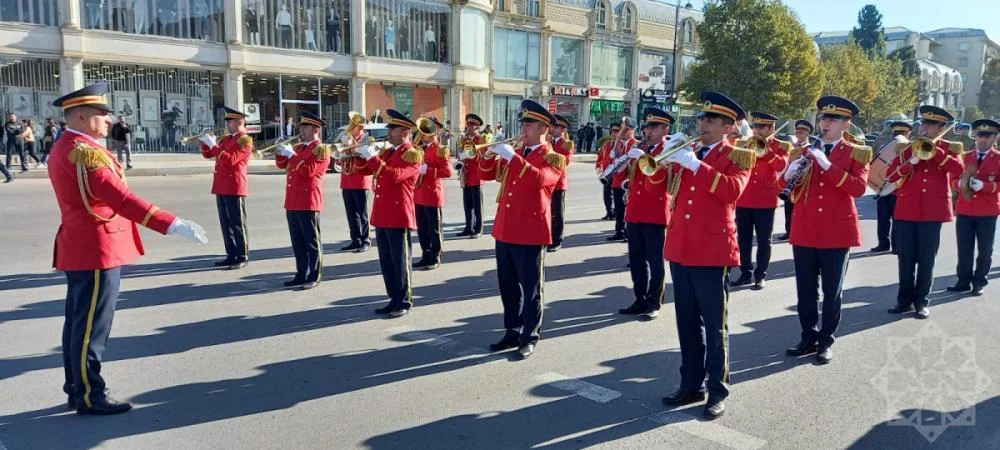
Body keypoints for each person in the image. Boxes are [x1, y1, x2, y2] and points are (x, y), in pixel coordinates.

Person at [48, 82, 206, 415]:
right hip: (95, 249)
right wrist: (172, 223)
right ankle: (90, 394)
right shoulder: (84, 152)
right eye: (101, 114)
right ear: (80, 116)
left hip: (81, 247)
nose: (109, 120)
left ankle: (77, 387)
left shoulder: (68, 145)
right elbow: (120, 198)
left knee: (78, 324)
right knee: (91, 328)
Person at [662, 91, 753, 420]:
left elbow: (731, 191)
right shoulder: (691, 151)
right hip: (682, 246)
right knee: (686, 321)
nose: (703, 123)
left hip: (712, 249)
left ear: (728, 127)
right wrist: (668, 157)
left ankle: (717, 389)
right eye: (702, 118)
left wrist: (695, 165)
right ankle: (690, 383)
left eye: (711, 119)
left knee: (714, 325)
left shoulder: (739, 156)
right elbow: (663, 185)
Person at [779, 96, 871, 365]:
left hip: (836, 231)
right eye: (823, 118)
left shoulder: (857, 151)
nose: (825, 123)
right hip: (806, 228)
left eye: (832, 119)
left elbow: (858, 188)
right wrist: (787, 175)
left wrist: (828, 166)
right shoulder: (803, 150)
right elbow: (781, 189)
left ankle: (826, 340)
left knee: (832, 291)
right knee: (805, 290)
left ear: (846, 124)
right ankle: (808, 336)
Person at [480, 100, 566, 359]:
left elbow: (539, 181)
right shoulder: (518, 153)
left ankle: (530, 335)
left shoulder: (553, 157)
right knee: (507, 287)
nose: (523, 128)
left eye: (529, 124)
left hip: (530, 231)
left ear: (544, 128)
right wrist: (486, 157)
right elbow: (486, 175)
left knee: (531, 289)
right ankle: (512, 330)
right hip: (505, 228)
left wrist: (511, 157)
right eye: (523, 123)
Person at [884, 105, 964, 319]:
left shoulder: (950, 148)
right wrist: (910, 163)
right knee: (906, 258)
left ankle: (921, 301)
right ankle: (904, 300)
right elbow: (890, 175)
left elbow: (960, 171)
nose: (924, 127)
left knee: (927, 258)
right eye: (923, 123)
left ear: (941, 128)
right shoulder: (909, 148)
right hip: (907, 209)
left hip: (932, 211)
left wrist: (937, 153)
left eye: (930, 124)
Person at [354, 109, 422, 318]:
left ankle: (404, 300)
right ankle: (393, 298)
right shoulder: (388, 152)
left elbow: (395, 176)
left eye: (393, 129)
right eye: (390, 129)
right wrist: (357, 156)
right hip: (383, 213)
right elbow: (365, 171)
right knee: (386, 261)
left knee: (400, 261)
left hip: (398, 213)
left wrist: (373, 158)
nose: (389, 133)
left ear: (405, 132)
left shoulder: (413, 154)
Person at [618, 108, 675, 320]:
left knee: (655, 260)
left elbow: (665, 183)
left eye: (653, 128)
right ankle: (639, 298)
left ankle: (654, 302)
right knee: (636, 259)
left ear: (665, 129)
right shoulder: (640, 147)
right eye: (646, 128)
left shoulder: (669, 150)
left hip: (656, 212)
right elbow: (634, 178)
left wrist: (645, 157)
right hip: (635, 211)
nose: (648, 132)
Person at [731, 112, 790, 290]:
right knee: (744, 239)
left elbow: (782, 166)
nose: (756, 130)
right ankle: (745, 273)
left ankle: (760, 275)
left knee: (764, 241)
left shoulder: (781, 146)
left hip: (766, 200)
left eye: (761, 127)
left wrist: (767, 151)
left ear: (771, 128)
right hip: (744, 198)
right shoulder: (743, 144)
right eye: (755, 127)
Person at [275, 111, 331, 290]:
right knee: (297, 242)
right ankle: (301, 273)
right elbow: (282, 165)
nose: (301, 130)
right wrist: (280, 152)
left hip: (308, 200)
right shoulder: (299, 148)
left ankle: (314, 275)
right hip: (293, 200)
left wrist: (292, 155)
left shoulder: (321, 149)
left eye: (305, 127)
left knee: (311, 242)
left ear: (316, 129)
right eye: (301, 127)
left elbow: (308, 172)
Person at [946, 119, 1000, 296]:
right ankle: (963, 280)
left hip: (987, 211)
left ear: (995, 137)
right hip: (966, 209)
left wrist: (984, 186)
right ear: (975, 136)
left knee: (985, 249)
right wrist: (959, 183)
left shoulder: (998, 159)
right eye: (979, 136)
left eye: (987, 136)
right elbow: (952, 180)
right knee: (964, 247)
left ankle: (979, 281)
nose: (983, 140)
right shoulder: (965, 156)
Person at [199, 107, 254, 270]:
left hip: (234, 185)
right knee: (226, 223)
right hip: (222, 185)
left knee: (237, 223)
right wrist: (205, 144)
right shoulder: (226, 139)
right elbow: (209, 155)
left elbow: (231, 160)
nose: (228, 124)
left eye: (230, 121)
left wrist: (214, 146)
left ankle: (242, 255)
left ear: (239, 121)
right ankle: (231, 254)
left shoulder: (245, 140)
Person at [413, 117, 453, 270]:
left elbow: (447, 172)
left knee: (434, 228)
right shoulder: (420, 148)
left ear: (436, 131)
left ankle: (435, 256)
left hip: (432, 194)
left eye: (429, 129)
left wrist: (427, 170)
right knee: (422, 228)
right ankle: (425, 254)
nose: (424, 133)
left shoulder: (440, 149)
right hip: (419, 193)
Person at [870, 121, 911, 254]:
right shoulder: (906, 146)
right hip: (894, 187)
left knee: (885, 218)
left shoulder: (887, 145)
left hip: (885, 186)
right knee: (895, 218)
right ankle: (895, 246)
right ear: (908, 132)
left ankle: (885, 244)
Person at [339, 121, 373, 253]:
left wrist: (351, 147)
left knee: (362, 213)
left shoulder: (367, 140)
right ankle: (355, 239)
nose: (350, 128)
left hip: (361, 181)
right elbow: (342, 158)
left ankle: (365, 240)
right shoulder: (347, 138)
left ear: (361, 128)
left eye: (353, 126)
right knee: (351, 213)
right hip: (347, 180)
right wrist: (342, 150)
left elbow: (365, 159)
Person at [778, 120, 813, 241]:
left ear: (807, 134)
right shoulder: (792, 147)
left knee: (799, 209)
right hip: (789, 183)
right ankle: (789, 231)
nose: (799, 134)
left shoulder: (810, 149)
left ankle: (799, 231)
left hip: (801, 184)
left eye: (802, 132)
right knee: (788, 208)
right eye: (797, 132)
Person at [456, 114, 487, 238]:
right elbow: (461, 156)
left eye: (474, 125)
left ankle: (478, 229)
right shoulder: (463, 140)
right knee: (467, 204)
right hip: (466, 175)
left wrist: (470, 153)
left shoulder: (481, 140)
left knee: (477, 205)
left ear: (478, 127)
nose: (471, 127)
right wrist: (460, 161)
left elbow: (483, 157)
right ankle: (468, 227)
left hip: (477, 175)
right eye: (469, 125)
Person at [606, 119, 637, 241]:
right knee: (618, 209)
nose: (622, 132)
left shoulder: (635, 144)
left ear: (631, 131)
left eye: (625, 129)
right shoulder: (618, 143)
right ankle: (619, 231)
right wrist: (613, 157)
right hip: (617, 180)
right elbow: (611, 160)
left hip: (628, 181)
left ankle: (628, 232)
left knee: (629, 209)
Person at [549, 114, 575, 252]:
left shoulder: (567, 144)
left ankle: (557, 239)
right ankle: (549, 238)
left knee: (558, 213)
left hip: (558, 183)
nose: (552, 129)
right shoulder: (548, 141)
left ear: (563, 129)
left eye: (555, 127)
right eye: (552, 126)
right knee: (548, 212)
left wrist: (549, 154)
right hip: (547, 182)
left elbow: (566, 161)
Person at [595, 123, 620, 220]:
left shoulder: (621, 145)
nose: (614, 134)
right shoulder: (606, 144)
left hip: (617, 173)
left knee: (616, 195)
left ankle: (615, 213)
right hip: (606, 173)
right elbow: (600, 156)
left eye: (617, 132)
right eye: (613, 131)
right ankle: (609, 212)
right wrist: (598, 165)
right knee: (606, 194)